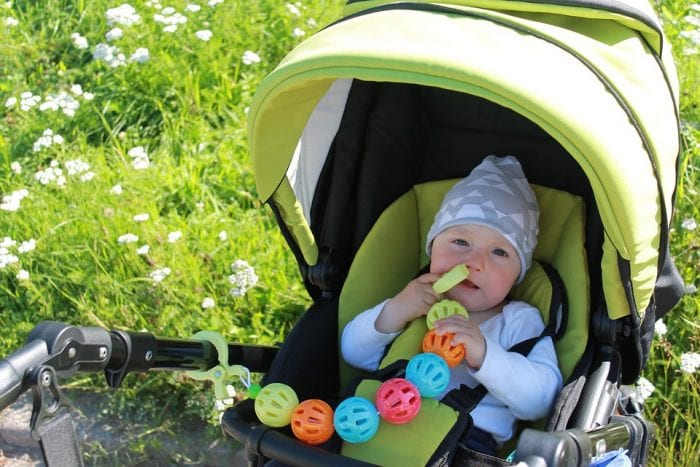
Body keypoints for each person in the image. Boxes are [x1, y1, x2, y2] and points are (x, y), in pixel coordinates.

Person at [341, 155, 563, 456]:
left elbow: (542, 402)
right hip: (377, 425)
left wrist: (484, 354)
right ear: (433, 249)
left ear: (516, 278)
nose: (474, 263)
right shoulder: (415, 299)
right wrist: (394, 312)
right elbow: (353, 353)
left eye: (499, 252)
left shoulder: (519, 321)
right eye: (460, 242)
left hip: (464, 444)